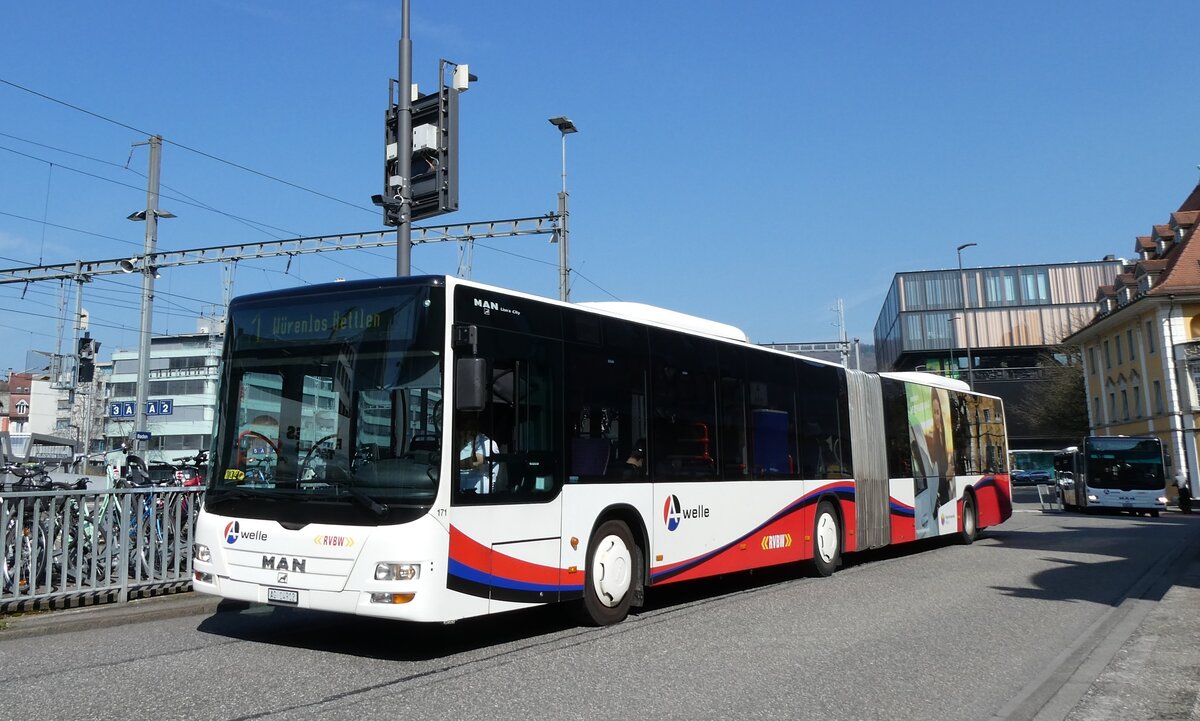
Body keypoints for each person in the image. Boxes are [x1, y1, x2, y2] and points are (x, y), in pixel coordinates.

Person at [459, 426, 500, 494]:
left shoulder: (488, 443)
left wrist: (451, 464)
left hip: (480, 494)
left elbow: (476, 461)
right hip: (460, 491)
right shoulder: (463, 443)